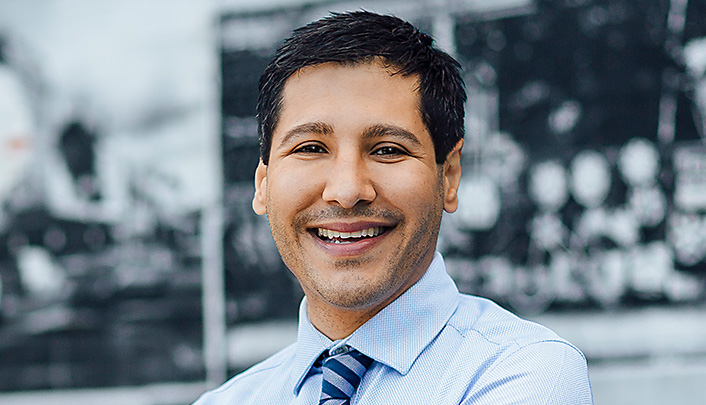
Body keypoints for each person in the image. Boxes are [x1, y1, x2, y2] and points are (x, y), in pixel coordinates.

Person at [195, 10, 593, 404]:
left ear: (450, 175)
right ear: (263, 184)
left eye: (388, 149)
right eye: (311, 148)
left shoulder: (526, 374)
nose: (347, 190)